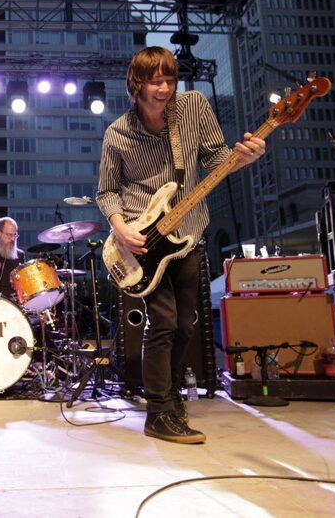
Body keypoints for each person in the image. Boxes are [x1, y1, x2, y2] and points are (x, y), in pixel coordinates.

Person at [96, 47, 265, 444]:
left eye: (169, 79)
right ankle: (158, 411)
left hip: (188, 232)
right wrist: (120, 229)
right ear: (136, 85)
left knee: (187, 324)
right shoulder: (118, 133)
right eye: (156, 81)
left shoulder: (193, 107)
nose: (165, 88)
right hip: (141, 241)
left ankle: (172, 400)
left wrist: (246, 156)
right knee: (164, 321)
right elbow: (106, 191)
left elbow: (217, 159)